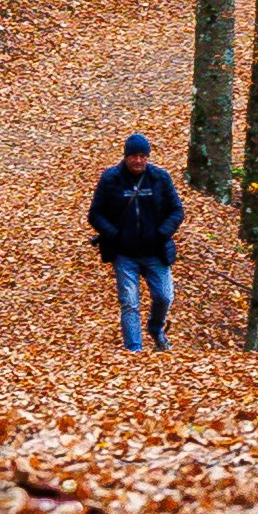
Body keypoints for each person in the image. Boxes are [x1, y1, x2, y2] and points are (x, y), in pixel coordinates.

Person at [88, 131, 182, 352]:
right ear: (125, 156)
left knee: (165, 296)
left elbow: (176, 211)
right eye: (134, 156)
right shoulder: (111, 179)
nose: (138, 160)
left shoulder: (160, 178)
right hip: (124, 254)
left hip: (156, 252)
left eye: (143, 155)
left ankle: (156, 328)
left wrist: (162, 233)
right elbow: (95, 214)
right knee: (129, 303)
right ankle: (134, 351)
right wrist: (114, 234)